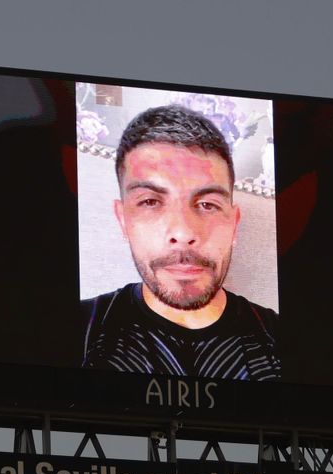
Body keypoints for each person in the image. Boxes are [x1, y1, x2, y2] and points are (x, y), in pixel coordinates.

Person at [81, 104, 281, 380]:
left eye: (208, 204)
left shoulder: (283, 340)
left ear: (234, 224)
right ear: (123, 220)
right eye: (150, 202)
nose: (184, 231)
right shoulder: (77, 328)